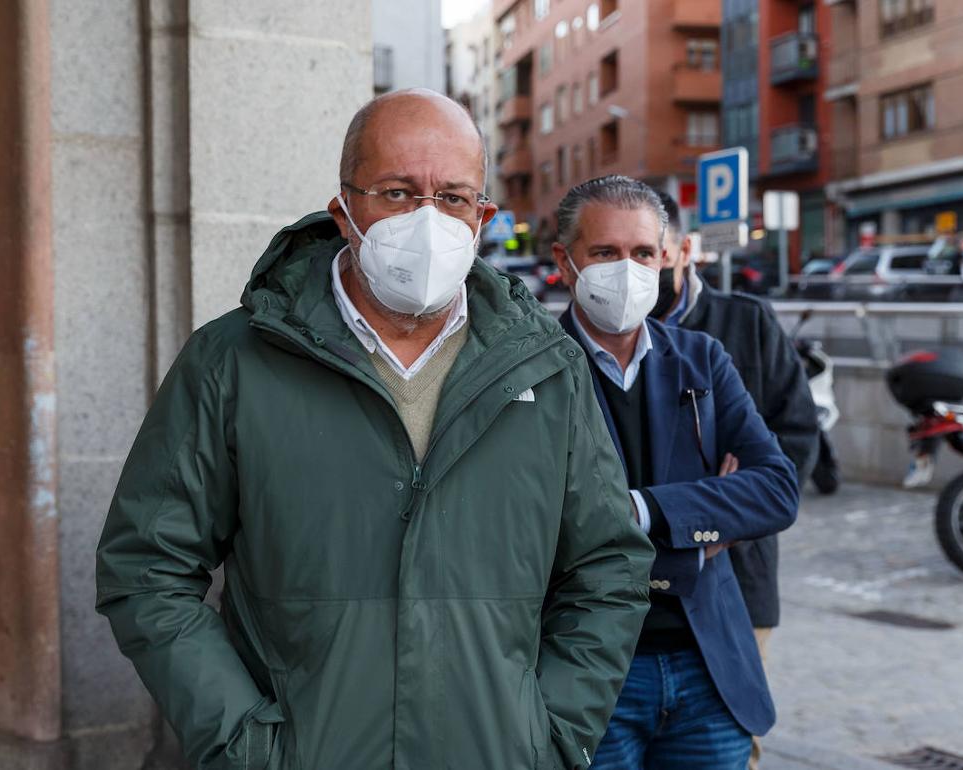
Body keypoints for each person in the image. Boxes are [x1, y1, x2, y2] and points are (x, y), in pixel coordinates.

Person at [94, 90, 655, 770]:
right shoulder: (233, 362)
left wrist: (549, 735)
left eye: (452, 197)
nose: (427, 219)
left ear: (483, 217)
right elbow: (146, 566)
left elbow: (608, 567)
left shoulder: (548, 369)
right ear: (344, 210)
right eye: (396, 192)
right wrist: (245, 745)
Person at [550, 175, 800, 769]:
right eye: (605, 253)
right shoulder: (533, 370)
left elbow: (777, 490)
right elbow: (543, 526)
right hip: (590, 672)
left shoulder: (701, 358)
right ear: (565, 261)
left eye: (642, 253)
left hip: (706, 669)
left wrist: (642, 510)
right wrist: (707, 515)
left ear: (666, 258)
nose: (627, 269)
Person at [649, 192, 819, 769]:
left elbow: (796, 442)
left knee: (732, 741)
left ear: (684, 251)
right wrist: (713, 496)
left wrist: (727, 523)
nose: (634, 273)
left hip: (739, 583)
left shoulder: (745, 322)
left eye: (652, 254)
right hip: (636, 597)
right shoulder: (606, 336)